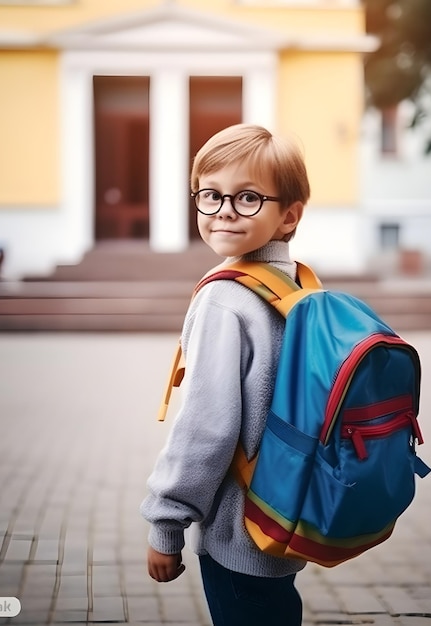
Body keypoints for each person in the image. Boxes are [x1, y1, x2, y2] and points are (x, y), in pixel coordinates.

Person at [140, 124, 310, 626]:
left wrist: (166, 524)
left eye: (249, 198)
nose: (225, 211)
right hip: (286, 516)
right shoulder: (299, 283)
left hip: (238, 530)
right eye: (211, 195)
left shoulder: (224, 299)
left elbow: (208, 425)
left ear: (289, 216)